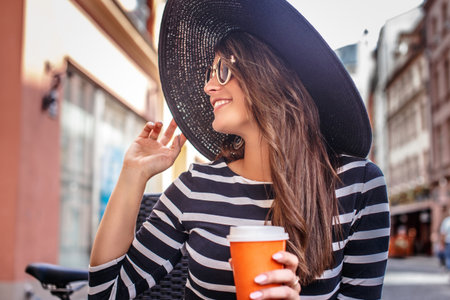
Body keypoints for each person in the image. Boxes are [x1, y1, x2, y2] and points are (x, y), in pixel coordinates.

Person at [88, 0, 390, 299]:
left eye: (221, 69)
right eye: (209, 73)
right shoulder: (194, 188)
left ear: (271, 74)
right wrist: (133, 174)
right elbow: (105, 292)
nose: (208, 87)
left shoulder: (359, 185)